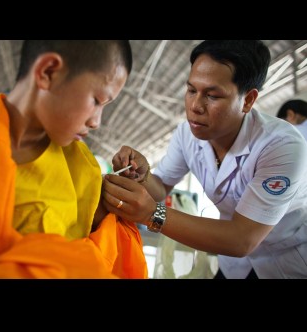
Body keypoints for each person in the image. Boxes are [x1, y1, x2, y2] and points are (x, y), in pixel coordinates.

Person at [102, 40, 307, 279]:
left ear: (248, 100)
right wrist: (143, 175)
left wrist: (150, 214)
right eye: (191, 90)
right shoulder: (187, 134)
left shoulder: (281, 146)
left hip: (286, 261)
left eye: (212, 95)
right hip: (234, 265)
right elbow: (160, 189)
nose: (195, 106)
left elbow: (242, 239)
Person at [0, 40, 148, 279]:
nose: (96, 122)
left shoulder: (82, 167)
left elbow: (92, 255)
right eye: (96, 101)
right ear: (48, 72)